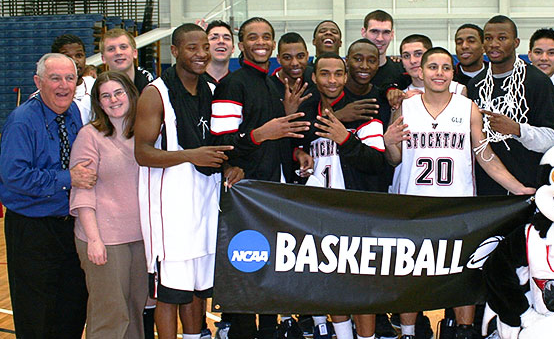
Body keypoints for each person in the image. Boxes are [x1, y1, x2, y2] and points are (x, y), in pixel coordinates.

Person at [384, 47, 535, 339]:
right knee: (411, 273)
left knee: (462, 271)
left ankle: (464, 330)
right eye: (432, 67)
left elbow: (484, 155)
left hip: (458, 205)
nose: (439, 73)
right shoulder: (405, 107)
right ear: (420, 72)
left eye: (445, 68)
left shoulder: (467, 108)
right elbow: (395, 159)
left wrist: (517, 188)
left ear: (453, 73)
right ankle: (408, 331)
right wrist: (390, 143)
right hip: (414, 205)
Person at [134, 23, 243, 339]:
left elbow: (226, 142)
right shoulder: (156, 94)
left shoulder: (211, 91)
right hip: (170, 208)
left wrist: (233, 166)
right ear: (174, 51)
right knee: (170, 292)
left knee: (197, 286)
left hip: (205, 201)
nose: (201, 54)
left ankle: (196, 335)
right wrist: (190, 155)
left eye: (204, 47)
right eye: (192, 47)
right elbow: (141, 153)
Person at [211, 17, 312, 339]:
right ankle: (240, 329)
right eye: (253, 37)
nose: (260, 42)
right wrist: (255, 137)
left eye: (266, 37)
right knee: (247, 261)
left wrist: (296, 151)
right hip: (246, 193)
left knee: (271, 263)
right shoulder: (233, 83)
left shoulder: (271, 84)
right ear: (242, 44)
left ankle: (270, 326)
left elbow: (280, 137)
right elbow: (221, 141)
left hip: (272, 190)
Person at [293, 53, 389, 339]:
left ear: (346, 77)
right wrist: (298, 155)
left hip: (355, 211)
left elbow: (376, 163)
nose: (332, 80)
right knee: (331, 282)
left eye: (338, 74)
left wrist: (345, 139)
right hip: (320, 213)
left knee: (362, 284)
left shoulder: (361, 112)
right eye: (325, 74)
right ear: (314, 77)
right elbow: (294, 149)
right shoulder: (307, 112)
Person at [0, 53, 93, 338]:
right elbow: (14, 177)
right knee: (36, 313)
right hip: (33, 229)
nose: (63, 85)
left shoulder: (74, 113)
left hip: (69, 225)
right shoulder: (22, 122)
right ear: (38, 82)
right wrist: (69, 178)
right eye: (55, 78)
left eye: (69, 78)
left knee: (72, 306)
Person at [69, 71, 147, 339]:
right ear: (99, 103)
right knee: (110, 314)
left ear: (130, 94)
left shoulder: (147, 132)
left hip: (141, 237)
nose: (113, 100)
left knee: (135, 311)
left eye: (118, 93)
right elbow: (82, 190)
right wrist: (93, 239)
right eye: (106, 96)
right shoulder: (89, 135)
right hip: (105, 238)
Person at [466, 15, 554, 196]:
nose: (494, 44)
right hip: (486, 188)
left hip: (527, 186)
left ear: (516, 42)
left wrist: (518, 129)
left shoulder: (537, 81)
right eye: (488, 38)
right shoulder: (475, 85)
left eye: (502, 38)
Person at [400, 34, 465, 95]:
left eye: (418, 54)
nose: (412, 61)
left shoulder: (458, 90)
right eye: (406, 56)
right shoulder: (400, 96)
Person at [362, 10, 410, 90]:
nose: (380, 38)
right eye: (374, 31)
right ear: (363, 32)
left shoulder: (402, 70)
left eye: (386, 32)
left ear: (392, 35)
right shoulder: (351, 71)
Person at [53, 34, 96, 124]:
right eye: (67, 57)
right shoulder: (45, 96)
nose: (75, 61)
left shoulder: (97, 87)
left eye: (79, 55)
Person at [100, 28, 156, 93]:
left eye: (123, 47)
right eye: (111, 49)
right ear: (103, 58)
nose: (118, 52)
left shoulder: (150, 85)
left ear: (134, 53)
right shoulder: (98, 89)